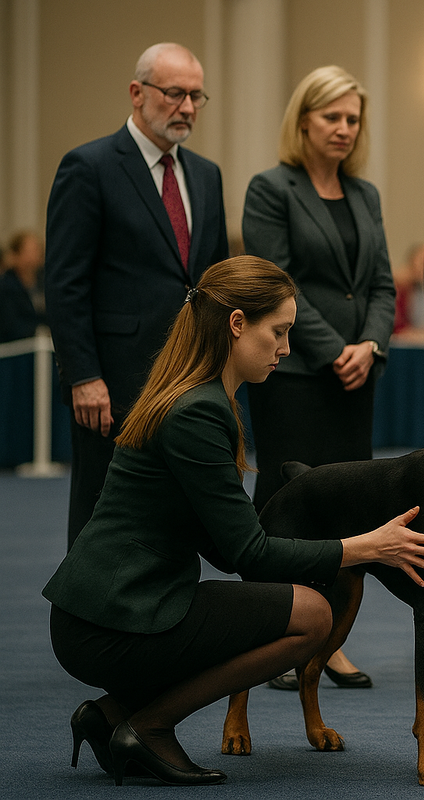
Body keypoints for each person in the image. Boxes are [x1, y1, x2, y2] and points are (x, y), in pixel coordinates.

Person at [42, 256, 424, 787]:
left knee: (289, 606)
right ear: (236, 324)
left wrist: (301, 534)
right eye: (278, 332)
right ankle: (150, 726)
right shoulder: (201, 410)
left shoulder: (197, 394)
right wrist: (364, 547)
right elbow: (247, 555)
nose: (285, 347)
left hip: (107, 611)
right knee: (312, 617)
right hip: (110, 623)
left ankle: (113, 714)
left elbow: (226, 542)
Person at [241, 66, 396, 690]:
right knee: (287, 508)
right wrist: (335, 348)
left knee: (347, 508)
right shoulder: (270, 188)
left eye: (352, 119)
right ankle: (273, 636)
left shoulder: (365, 194)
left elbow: (382, 284)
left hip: (355, 377)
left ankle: (329, 642)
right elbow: (277, 284)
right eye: (331, 116)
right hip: (295, 372)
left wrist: (371, 344)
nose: (343, 128)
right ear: (303, 120)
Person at [44, 42, 229, 548]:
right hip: (112, 386)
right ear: (136, 93)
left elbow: (212, 283)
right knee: (101, 516)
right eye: (174, 94)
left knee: (173, 515)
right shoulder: (89, 166)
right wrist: (84, 376)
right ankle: (85, 620)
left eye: (196, 96)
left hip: (186, 381)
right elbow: (65, 283)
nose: (187, 108)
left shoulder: (207, 176)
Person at [0, 230, 45, 342]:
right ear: (16, 255)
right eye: (29, 251)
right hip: (17, 350)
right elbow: (10, 325)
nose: (35, 255)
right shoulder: (6, 287)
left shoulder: (43, 282)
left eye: (37, 250)